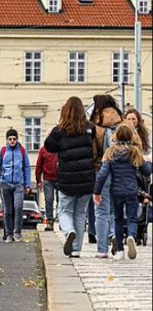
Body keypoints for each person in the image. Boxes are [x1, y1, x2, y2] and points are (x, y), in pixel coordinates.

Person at [44, 96, 100, 259]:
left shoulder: (59, 130)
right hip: (86, 178)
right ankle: (76, 250)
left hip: (66, 178)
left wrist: (50, 133)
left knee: (64, 210)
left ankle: (69, 232)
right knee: (80, 213)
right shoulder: (90, 129)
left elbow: (49, 147)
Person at [93, 122, 153, 260]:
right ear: (131, 137)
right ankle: (131, 236)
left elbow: (102, 174)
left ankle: (119, 250)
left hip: (116, 191)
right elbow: (146, 171)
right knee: (132, 217)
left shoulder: (110, 152)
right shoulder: (134, 152)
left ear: (116, 136)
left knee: (118, 219)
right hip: (131, 190)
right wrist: (148, 162)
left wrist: (97, 192)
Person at [89, 96, 123, 256]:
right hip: (120, 172)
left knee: (101, 211)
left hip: (100, 171)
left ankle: (102, 249)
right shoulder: (120, 123)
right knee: (114, 210)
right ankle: (114, 235)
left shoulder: (97, 126)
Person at [0, 128, 32, 243]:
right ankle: (9, 234)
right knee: (7, 210)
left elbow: (27, 168)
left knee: (18, 208)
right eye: (10, 139)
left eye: (14, 139)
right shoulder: (2, 151)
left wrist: (27, 185)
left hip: (19, 185)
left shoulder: (22, 151)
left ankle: (17, 232)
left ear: (17, 139)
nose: (12, 141)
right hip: (5, 184)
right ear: (7, 140)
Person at [123, 108, 152, 245]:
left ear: (138, 121)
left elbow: (149, 153)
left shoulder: (144, 136)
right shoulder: (121, 134)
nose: (131, 121)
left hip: (140, 168)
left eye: (133, 119)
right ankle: (130, 231)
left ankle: (138, 229)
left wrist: (145, 158)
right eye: (128, 118)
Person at [36, 141, 59, 231]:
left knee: (61, 201)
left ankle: (62, 221)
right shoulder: (43, 149)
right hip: (48, 179)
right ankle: (50, 221)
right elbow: (39, 165)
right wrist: (38, 180)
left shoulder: (60, 147)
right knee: (49, 200)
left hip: (60, 178)